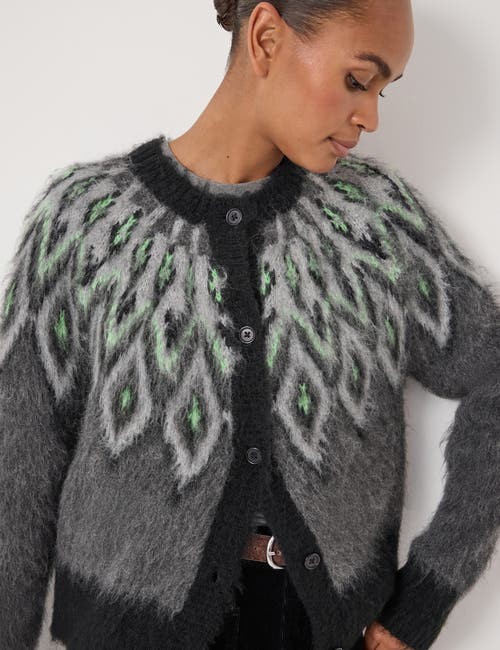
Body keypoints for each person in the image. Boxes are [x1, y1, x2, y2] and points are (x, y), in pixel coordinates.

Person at [1, 1, 499, 650]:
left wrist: (429, 594)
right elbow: (19, 462)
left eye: (383, 90)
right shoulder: (85, 223)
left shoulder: (374, 224)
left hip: (312, 628)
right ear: (265, 37)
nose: (371, 117)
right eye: (357, 79)